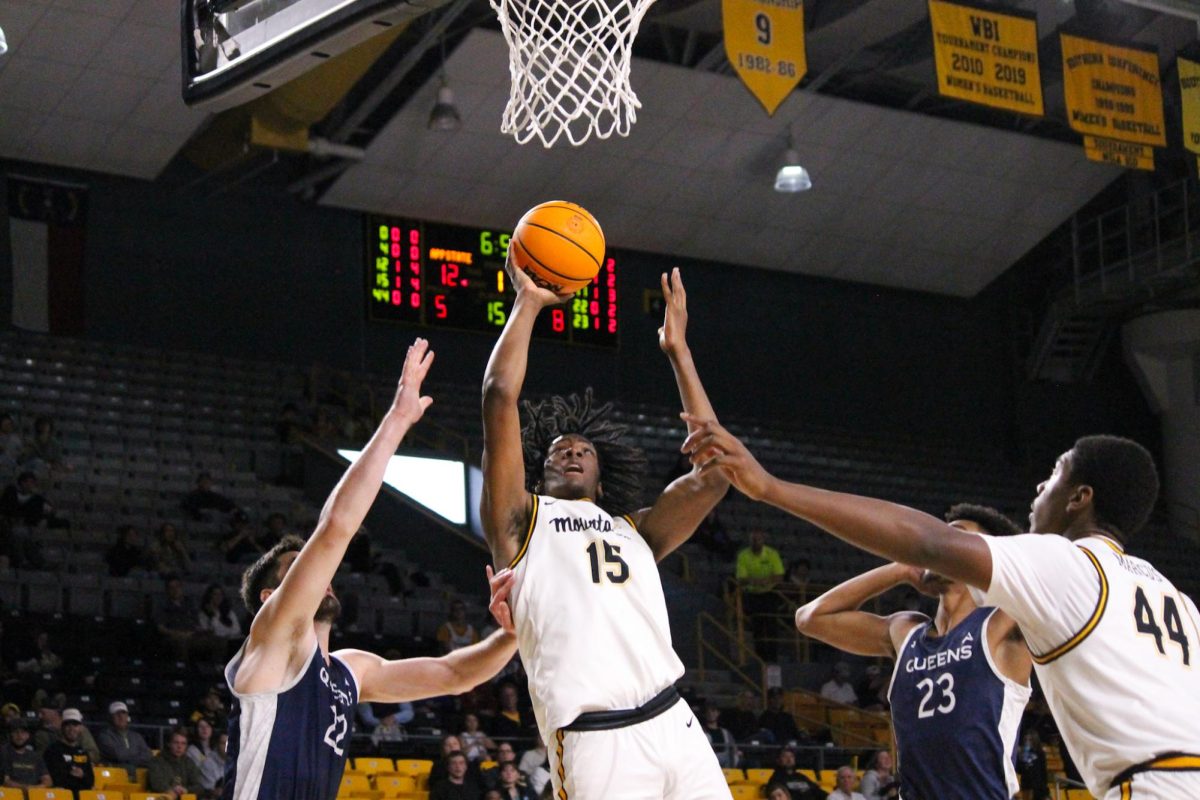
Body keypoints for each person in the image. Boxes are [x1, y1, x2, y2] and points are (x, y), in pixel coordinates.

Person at [682, 424, 1200, 800]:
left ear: (1080, 498)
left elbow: (928, 541)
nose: (1040, 488)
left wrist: (770, 488)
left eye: (1054, 475)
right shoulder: (1174, 598)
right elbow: (814, 618)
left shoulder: (1062, 566)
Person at [223, 340, 519, 800]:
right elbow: (336, 527)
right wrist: (398, 419)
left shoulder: (349, 672)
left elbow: (452, 674)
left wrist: (511, 635)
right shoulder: (272, 642)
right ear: (269, 598)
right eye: (295, 569)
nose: (317, 574)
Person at [481, 264, 730, 800]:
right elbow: (499, 396)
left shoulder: (634, 527)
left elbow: (715, 473)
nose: (572, 450)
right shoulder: (520, 521)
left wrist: (679, 353)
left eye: (584, 449)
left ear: (602, 470)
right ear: (539, 468)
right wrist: (527, 301)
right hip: (597, 738)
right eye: (559, 449)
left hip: (674, 722)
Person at [795, 503, 1030, 800]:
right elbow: (810, 618)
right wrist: (900, 569)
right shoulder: (906, 631)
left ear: (983, 555)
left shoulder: (1003, 623)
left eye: (955, 536)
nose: (937, 543)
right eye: (938, 536)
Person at [736, 530, 785, 661]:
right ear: (749, 541)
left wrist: (764, 581)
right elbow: (742, 579)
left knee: (771, 627)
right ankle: (760, 658)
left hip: (769, 594)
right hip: (753, 595)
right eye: (753, 539)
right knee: (757, 627)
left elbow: (779, 576)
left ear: (763, 540)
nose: (755, 542)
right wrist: (755, 581)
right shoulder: (743, 556)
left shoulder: (772, 554)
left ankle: (773, 657)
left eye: (758, 539)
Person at [42, 707, 94, 793]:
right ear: (62, 727)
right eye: (68, 725)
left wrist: (82, 775)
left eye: (75, 725)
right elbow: (56, 780)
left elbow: (90, 781)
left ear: (80, 728)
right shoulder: (52, 750)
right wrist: (74, 776)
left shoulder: (83, 752)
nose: (71, 729)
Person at [96, 701, 153, 776]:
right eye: (117, 714)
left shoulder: (136, 736)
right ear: (111, 717)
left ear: (127, 716)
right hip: (115, 775)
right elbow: (118, 755)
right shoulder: (105, 736)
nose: (121, 716)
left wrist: (129, 759)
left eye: (123, 713)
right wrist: (137, 757)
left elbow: (148, 755)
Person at [148, 727, 207, 798]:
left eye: (183, 743)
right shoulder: (157, 761)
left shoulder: (188, 762)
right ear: (169, 744)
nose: (179, 746)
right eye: (176, 742)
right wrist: (171, 790)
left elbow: (199, 786)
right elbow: (156, 784)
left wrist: (186, 790)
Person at [1, 717, 50, 790]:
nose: (19, 735)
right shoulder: (3, 753)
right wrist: (26, 788)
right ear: (10, 735)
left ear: (28, 735)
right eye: (15, 732)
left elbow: (47, 780)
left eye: (23, 732)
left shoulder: (35, 756)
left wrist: (36, 788)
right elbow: (5, 781)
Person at [186, 717, 225, 795]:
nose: (204, 729)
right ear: (196, 730)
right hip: (202, 785)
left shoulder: (217, 748)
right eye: (201, 727)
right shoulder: (191, 749)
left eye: (207, 726)